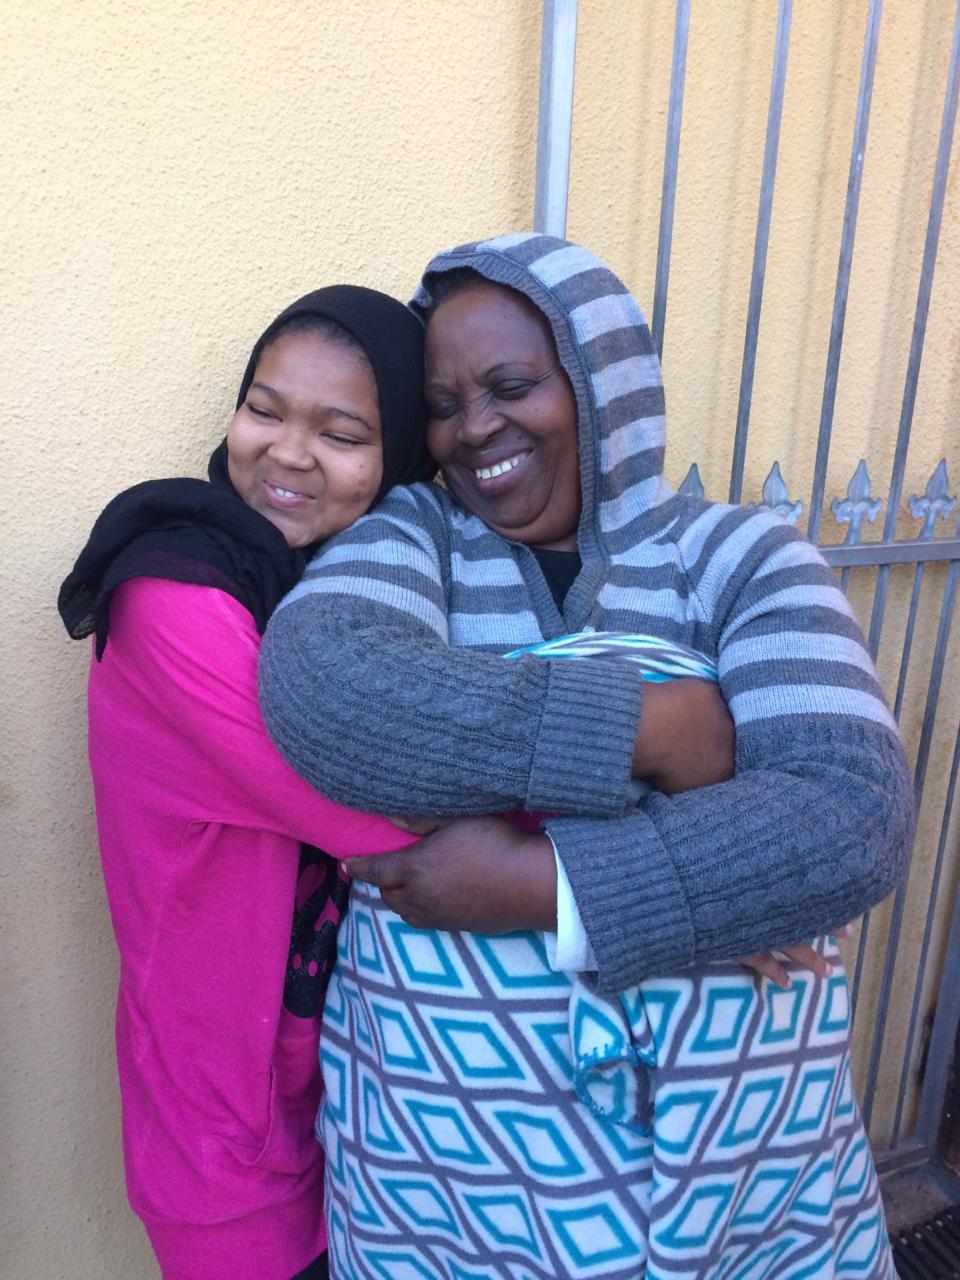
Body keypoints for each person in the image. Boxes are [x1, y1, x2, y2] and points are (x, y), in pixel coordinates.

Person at [258, 235, 915, 1280]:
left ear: (603, 381)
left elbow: (847, 818)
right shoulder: (414, 535)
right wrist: (659, 735)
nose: (475, 427)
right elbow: (329, 694)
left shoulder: (745, 557)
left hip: (745, 1184)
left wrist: (537, 883)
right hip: (453, 1186)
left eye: (512, 385)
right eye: (443, 403)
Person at [57, 286, 435, 1280]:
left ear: (401, 461)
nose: (288, 453)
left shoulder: (344, 598)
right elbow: (385, 812)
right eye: (265, 410)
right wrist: (666, 879)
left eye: (342, 434)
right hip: (229, 1154)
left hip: (367, 1118)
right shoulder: (171, 595)